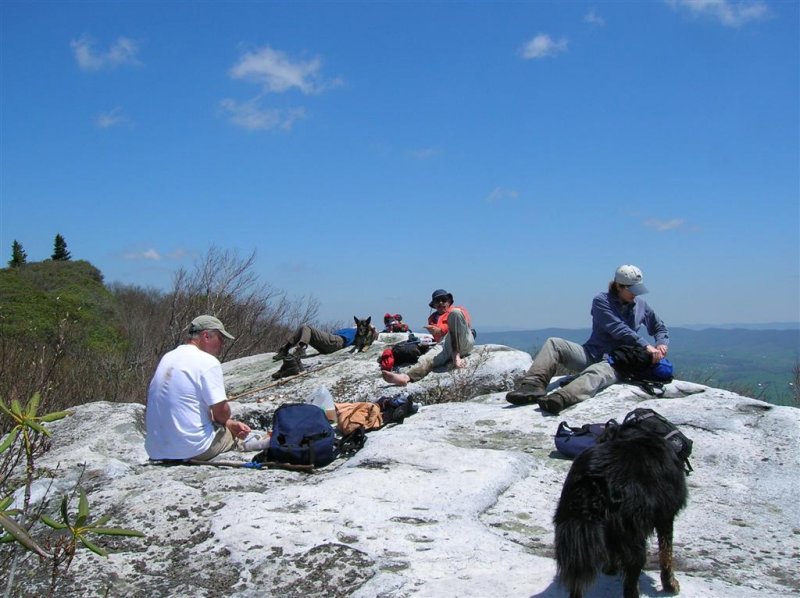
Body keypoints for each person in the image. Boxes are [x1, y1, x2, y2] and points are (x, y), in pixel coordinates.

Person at [506, 265, 669, 414]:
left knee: (597, 373)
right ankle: (532, 386)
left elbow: (659, 327)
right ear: (619, 286)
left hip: (617, 362)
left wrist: (661, 343)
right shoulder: (601, 301)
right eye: (632, 289)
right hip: (591, 353)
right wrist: (646, 345)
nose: (636, 293)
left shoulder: (641, 305)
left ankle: (560, 398)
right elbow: (617, 328)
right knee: (554, 344)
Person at [145, 315, 262, 461]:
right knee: (236, 437)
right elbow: (221, 414)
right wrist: (229, 424)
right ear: (206, 336)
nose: (222, 344)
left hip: (156, 450)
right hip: (192, 449)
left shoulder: (168, 357)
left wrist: (228, 422)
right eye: (220, 338)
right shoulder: (208, 361)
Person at [382, 288, 475, 386]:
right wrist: (436, 334)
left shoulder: (459, 310)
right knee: (426, 358)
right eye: (437, 301)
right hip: (445, 345)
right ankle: (405, 377)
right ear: (434, 305)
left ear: (449, 301)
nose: (441, 303)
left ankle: (456, 356)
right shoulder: (432, 318)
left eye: (443, 300)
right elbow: (438, 338)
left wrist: (441, 330)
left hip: (463, 341)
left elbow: (465, 325)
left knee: (455, 313)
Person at [272, 321, 374, 360]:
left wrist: (371, 329)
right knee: (303, 328)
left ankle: (301, 349)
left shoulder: (357, 332)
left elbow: (369, 334)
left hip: (336, 341)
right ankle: (285, 349)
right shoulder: (350, 329)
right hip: (328, 345)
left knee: (306, 327)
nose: (359, 325)